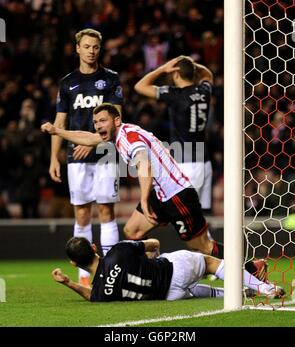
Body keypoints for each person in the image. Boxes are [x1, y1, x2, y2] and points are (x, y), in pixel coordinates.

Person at [42, 103, 266, 281]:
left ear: (116, 120)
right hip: (161, 196)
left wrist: (144, 200)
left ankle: (251, 267)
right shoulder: (119, 135)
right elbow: (89, 138)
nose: (98, 125)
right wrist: (57, 131)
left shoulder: (129, 139)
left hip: (177, 195)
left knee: (202, 247)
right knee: (133, 231)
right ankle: (157, 273)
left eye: (102, 120)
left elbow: (145, 165)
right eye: (96, 122)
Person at [49, 29, 123, 285]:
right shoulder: (67, 83)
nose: (92, 51)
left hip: (104, 153)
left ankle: (112, 271)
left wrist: (91, 143)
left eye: (96, 47)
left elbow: (116, 118)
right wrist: (53, 158)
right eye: (87, 46)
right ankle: (85, 275)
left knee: (106, 211)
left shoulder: (111, 79)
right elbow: (60, 121)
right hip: (75, 157)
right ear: (77, 48)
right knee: (81, 214)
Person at [51, 237, 284, 302]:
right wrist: (153, 250)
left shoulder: (101, 292)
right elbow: (152, 243)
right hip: (173, 269)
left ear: (74, 264)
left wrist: (68, 283)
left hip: (169, 296)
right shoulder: (119, 250)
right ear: (93, 247)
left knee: (193, 290)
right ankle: (265, 288)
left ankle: (246, 293)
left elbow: (90, 295)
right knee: (211, 263)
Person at [134, 56, 213, 213]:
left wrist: (163, 68)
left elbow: (140, 86)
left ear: (175, 74)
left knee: (186, 219)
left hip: (186, 165)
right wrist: (191, 65)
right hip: (205, 163)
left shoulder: (175, 95)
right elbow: (208, 75)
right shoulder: (204, 91)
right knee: (202, 218)